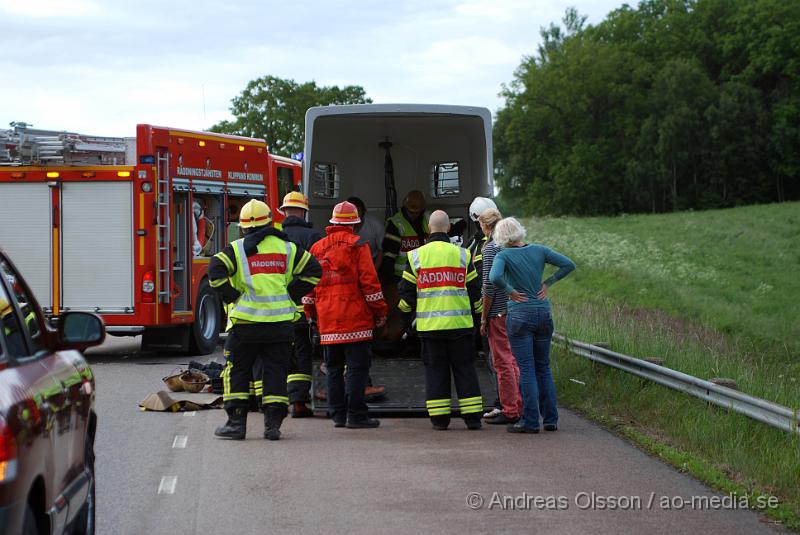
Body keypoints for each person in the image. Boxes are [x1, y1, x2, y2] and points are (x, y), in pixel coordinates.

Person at [209, 199, 321, 441]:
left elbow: (215, 271)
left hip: (245, 326)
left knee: (237, 372)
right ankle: (273, 427)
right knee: (275, 373)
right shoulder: (287, 248)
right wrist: (291, 294)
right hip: (280, 325)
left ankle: (236, 425)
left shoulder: (237, 249)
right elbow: (314, 270)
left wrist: (233, 296)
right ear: (271, 222)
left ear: (243, 227)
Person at [304, 201, 388, 429]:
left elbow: (309, 288)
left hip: (328, 321)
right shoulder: (359, 246)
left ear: (332, 222)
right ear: (355, 223)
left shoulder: (317, 249)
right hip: (356, 321)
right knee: (357, 369)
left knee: (333, 369)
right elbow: (370, 285)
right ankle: (357, 415)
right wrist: (380, 312)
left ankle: (338, 415)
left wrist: (311, 314)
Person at [397, 210, 484, 431]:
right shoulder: (464, 255)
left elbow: (407, 294)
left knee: (436, 372)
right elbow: (475, 292)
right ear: (447, 229)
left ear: (428, 229)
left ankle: (439, 420)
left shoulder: (416, 256)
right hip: (461, 327)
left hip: (430, 328)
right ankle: (473, 418)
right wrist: (480, 318)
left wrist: (403, 315)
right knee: (465, 370)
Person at [489, 217, 575, 434]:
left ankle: (530, 421)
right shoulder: (540, 250)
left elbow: (494, 276)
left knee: (526, 368)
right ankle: (550, 419)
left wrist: (509, 290)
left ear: (500, 237)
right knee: (543, 367)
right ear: (519, 232)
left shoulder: (503, 255)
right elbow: (568, 264)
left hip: (519, 314)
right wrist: (548, 283)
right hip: (543, 312)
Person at [278, 191, 323, 418]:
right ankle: (299, 402)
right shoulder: (314, 237)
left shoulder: (275, 239)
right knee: (303, 352)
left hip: (278, 309)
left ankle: (276, 399)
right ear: (304, 212)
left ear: (284, 212)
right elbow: (319, 273)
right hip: (305, 306)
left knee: (280, 353)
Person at [478, 208, 523, 425]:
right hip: (514, 309)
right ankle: (518, 404)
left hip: (497, 311)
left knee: (502, 363)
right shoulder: (509, 246)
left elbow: (488, 285)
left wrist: (483, 318)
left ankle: (510, 409)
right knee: (513, 361)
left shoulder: (489, 249)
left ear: (485, 227)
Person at [465, 196, 502, 418]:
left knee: (496, 359)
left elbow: (483, 283)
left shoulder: (484, 247)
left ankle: (502, 403)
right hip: (511, 309)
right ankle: (511, 402)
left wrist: (482, 316)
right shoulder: (510, 240)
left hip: (492, 310)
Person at [379, 190, 428, 282]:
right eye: (411, 212)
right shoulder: (396, 224)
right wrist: (390, 281)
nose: (413, 215)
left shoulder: (426, 220)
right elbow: (389, 255)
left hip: (424, 275)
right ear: (405, 207)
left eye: (416, 212)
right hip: (402, 277)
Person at [348, 196, 384, 269]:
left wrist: (374, 272)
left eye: (357, 211)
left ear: (363, 212)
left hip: (371, 261)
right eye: (351, 212)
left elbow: (381, 251)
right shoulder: (341, 226)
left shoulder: (375, 225)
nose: (355, 215)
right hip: (349, 262)